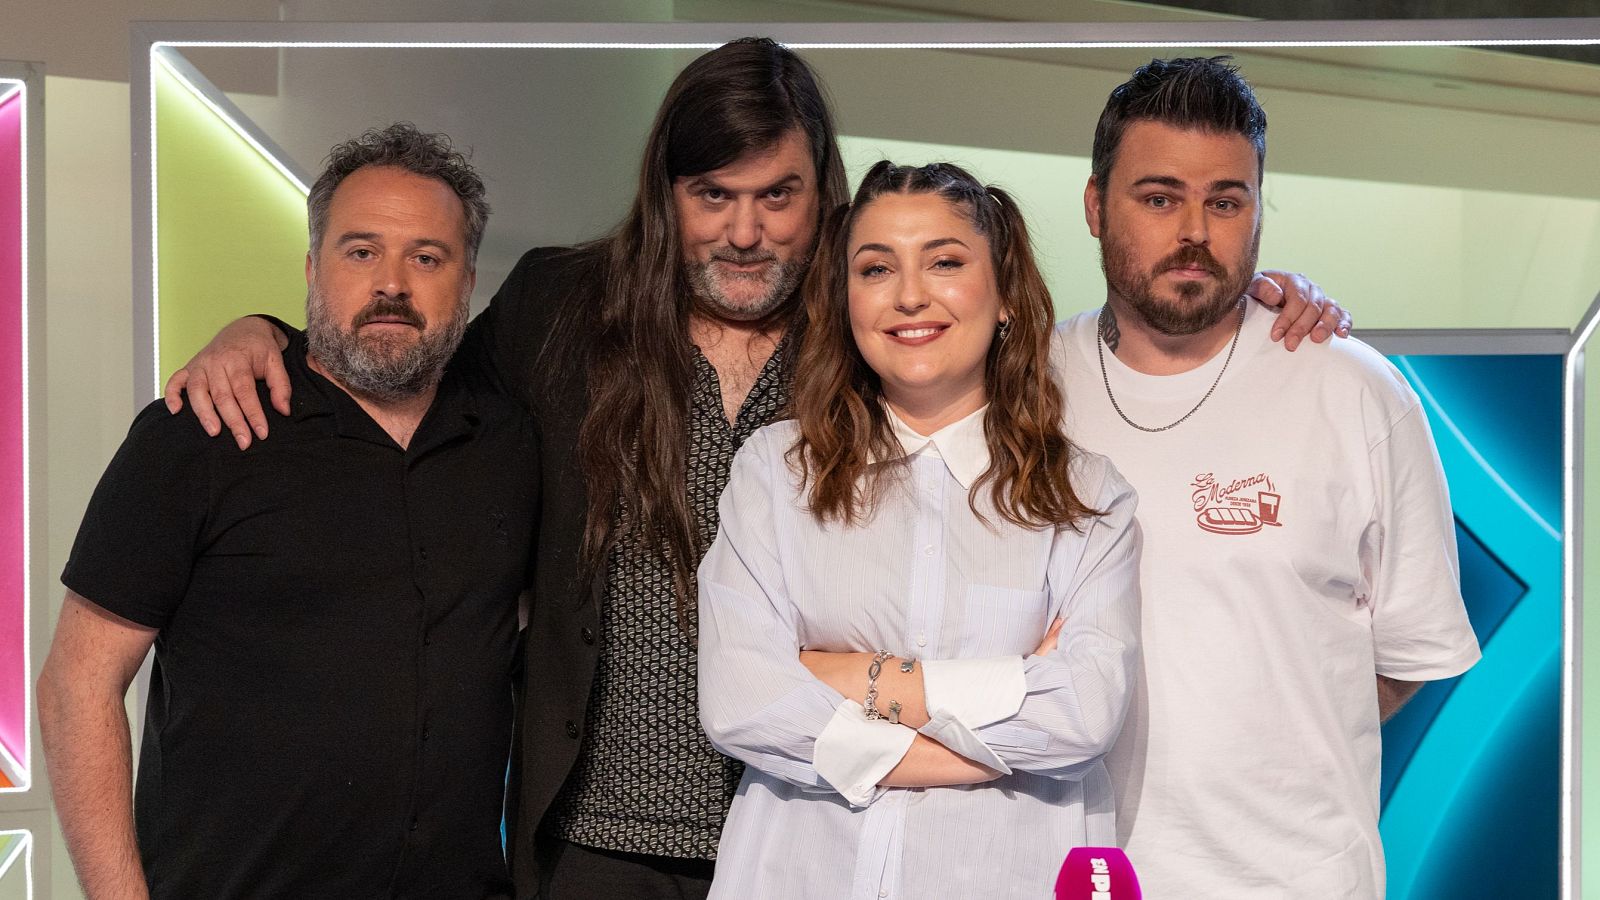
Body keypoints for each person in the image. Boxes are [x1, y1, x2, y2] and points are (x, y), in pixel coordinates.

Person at [160, 39, 1348, 898]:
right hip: (597, 840)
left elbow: (1073, 338)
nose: (743, 230)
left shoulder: (875, 324)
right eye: (711, 195)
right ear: (666, 197)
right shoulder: (558, 311)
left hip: (793, 835)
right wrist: (269, 329)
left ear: (820, 196)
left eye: (776, 196)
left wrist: (1269, 306)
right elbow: (408, 382)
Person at [36, 124, 535, 898]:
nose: (392, 284)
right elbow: (78, 686)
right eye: (360, 251)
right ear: (311, 267)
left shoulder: (509, 443)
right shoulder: (201, 433)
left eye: (426, 257)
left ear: (468, 281)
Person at [1050, 57, 1481, 898]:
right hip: (1071, 874)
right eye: (1159, 196)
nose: (1195, 231)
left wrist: (1279, 740)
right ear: (1097, 206)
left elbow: (1410, 654)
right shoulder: (1026, 387)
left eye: (1226, 200)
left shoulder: (1353, 389)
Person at [698, 161, 1140, 898]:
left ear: (1003, 296)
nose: (909, 295)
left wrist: (844, 678)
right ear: (845, 303)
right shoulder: (775, 474)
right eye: (876, 269)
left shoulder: (1086, 497)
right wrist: (1004, 704)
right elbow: (743, 701)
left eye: (945, 262)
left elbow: (1083, 713)